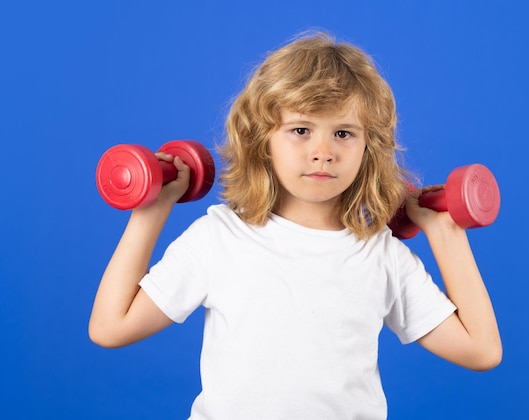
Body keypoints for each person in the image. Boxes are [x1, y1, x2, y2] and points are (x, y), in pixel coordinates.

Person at [89, 31, 502, 419]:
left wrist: (446, 234)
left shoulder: (381, 256)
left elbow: (481, 351)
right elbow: (111, 327)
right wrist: (152, 210)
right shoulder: (220, 238)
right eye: (301, 130)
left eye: (343, 133)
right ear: (261, 141)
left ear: (368, 149)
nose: (323, 152)